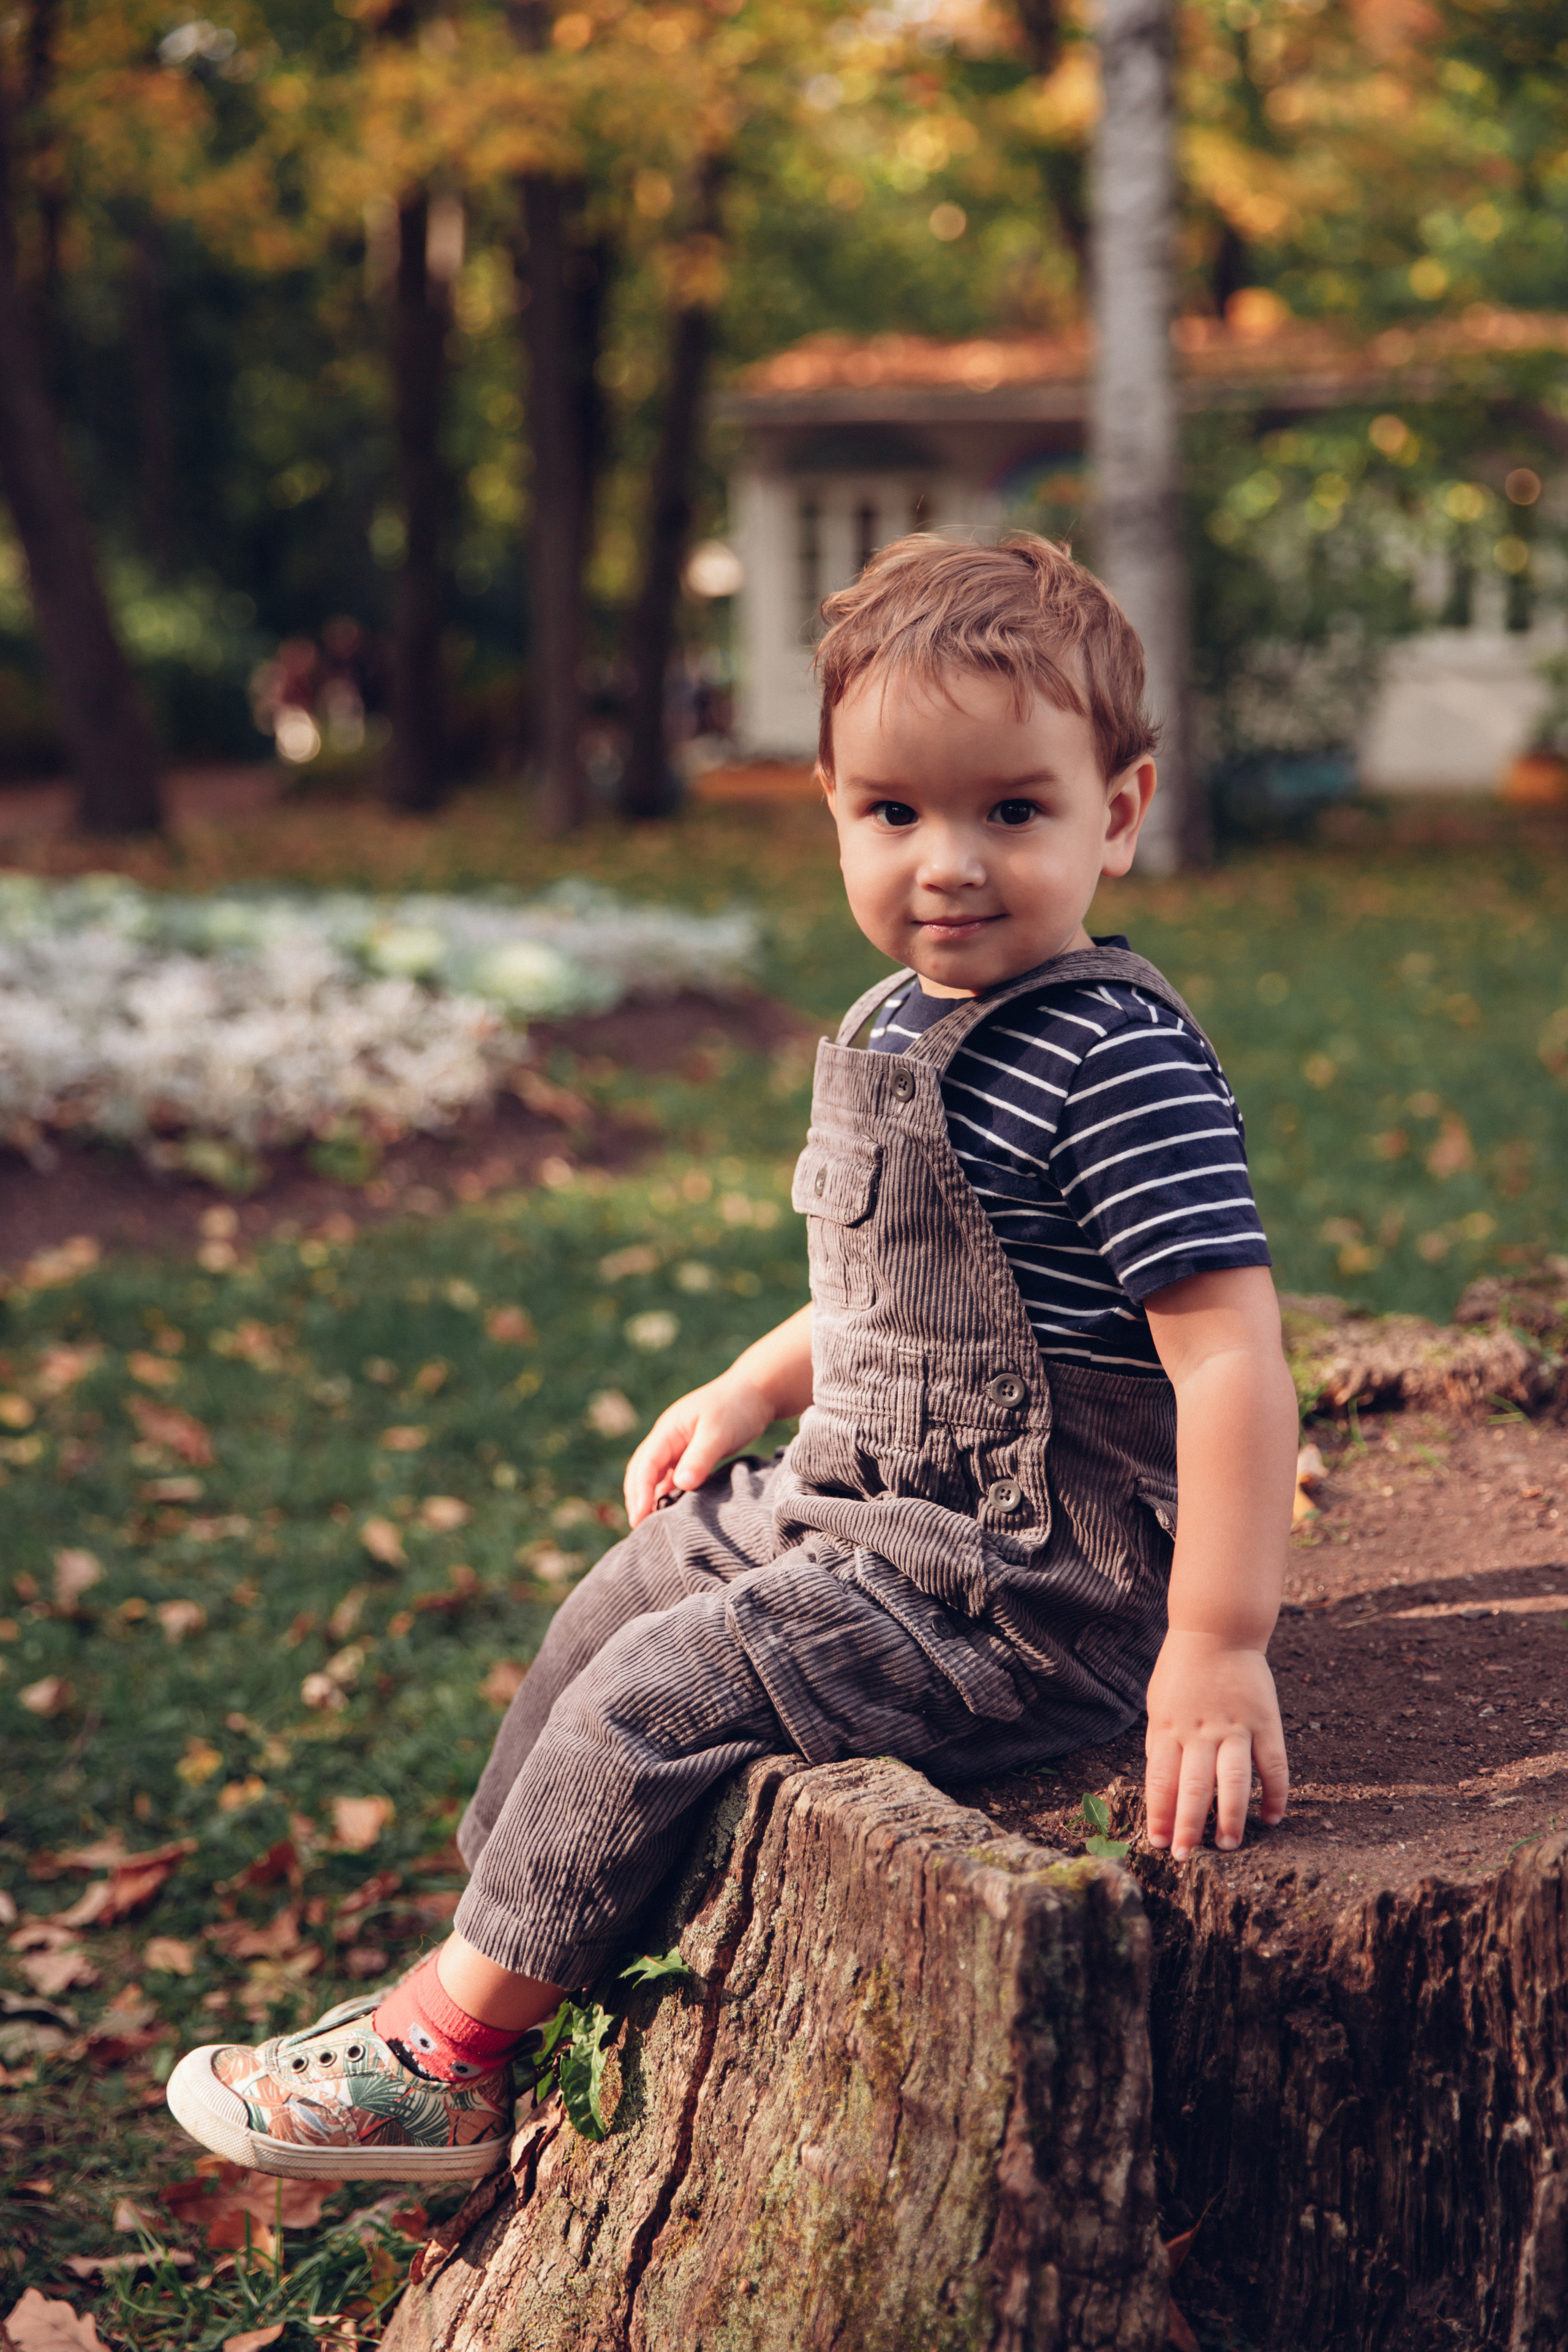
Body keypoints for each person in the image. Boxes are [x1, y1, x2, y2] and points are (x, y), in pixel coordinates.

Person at [167, 533, 1298, 2183]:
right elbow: (905, 1285)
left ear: (1117, 813)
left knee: (668, 1685)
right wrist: (758, 1386)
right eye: (896, 813)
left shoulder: (1114, 1061)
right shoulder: (894, 1020)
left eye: (1015, 812)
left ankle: (448, 2068)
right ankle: (479, 1966)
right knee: (627, 1595)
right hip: (871, 1497)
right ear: (832, 800)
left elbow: (1233, 1361)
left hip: (1034, 1580)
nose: (950, 865)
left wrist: (1213, 1640)